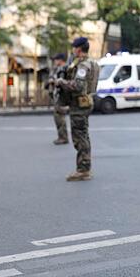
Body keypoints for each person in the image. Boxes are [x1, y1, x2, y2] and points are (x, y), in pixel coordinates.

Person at [55, 37, 100, 182]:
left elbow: (78, 86)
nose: (73, 51)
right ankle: (84, 167)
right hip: (85, 103)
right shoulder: (91, 63)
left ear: (79, 49)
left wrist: (62, 82)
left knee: (80, 136)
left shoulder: (83, 66)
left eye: (74, 48)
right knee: (83, 135)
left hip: (79, 104)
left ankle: (83, 170)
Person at [46, 53, 70, 145]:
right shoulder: (57, 69)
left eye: (56, 59)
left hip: (62, 97)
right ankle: (61, 136)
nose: (55, 61)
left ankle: (63, 137)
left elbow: (64, 82)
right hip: (57, 96)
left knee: (60, 117)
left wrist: (55, 81)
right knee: (57, 117)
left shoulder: (65, 69)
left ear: (60, 60)